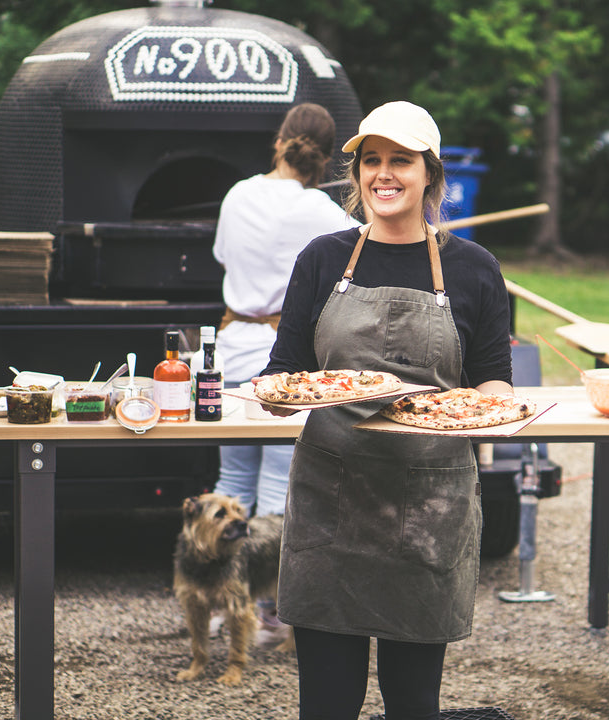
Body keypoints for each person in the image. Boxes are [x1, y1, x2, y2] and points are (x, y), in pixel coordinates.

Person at [255, 101, 514, 718]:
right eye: (372, 160)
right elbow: (284, 372)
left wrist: (495, 410)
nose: (383, 174)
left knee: (414, 702)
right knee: (326, 701)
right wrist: (274, 394)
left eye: (401, 160)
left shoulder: (474, 269)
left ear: (430, 173)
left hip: (429, 506)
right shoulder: (322, 259)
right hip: (329, 501)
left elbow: (493, 385)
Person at [212, 103, 358, 645]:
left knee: (232, 484)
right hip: (282, 358)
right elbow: (366, 247)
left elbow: (225, 257)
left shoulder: (238, 194)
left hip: (230, 349)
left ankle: (223, 607)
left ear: (280, 141)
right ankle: (267, 614)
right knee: (278, 484)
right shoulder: (321, 212)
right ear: (325, 156)